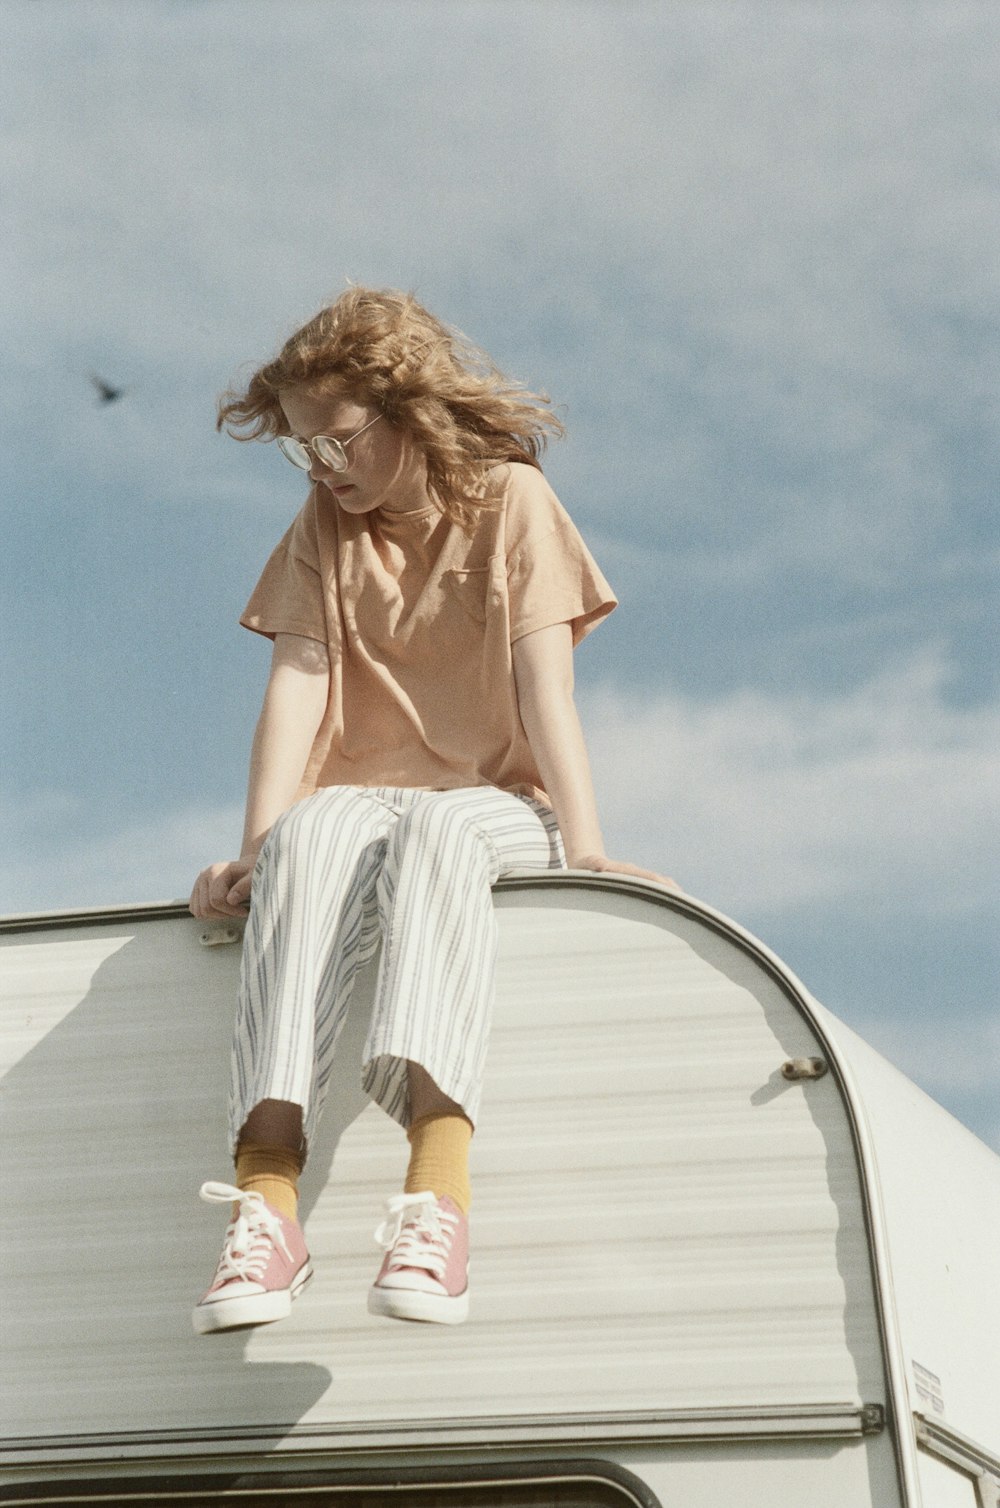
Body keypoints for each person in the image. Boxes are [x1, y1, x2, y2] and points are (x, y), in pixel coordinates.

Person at [188, 286, 674, 1334]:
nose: (324, 467)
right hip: (363, 805)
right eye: (303, 449)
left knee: (445, 827)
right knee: (308, 830)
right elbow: (298, 684)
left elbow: (546, 691)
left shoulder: (512, 504)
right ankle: (267, 1203)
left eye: (340, 439)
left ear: (405, 410)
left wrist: (587, 851)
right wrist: (253, 856)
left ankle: (437, 1198)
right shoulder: (323, 526)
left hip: (498, 806)